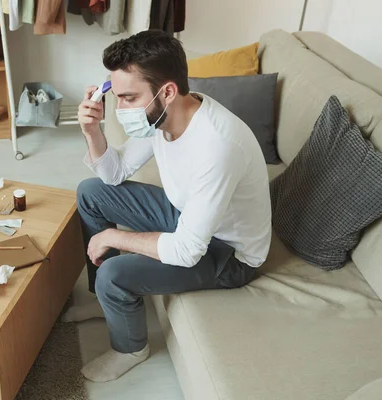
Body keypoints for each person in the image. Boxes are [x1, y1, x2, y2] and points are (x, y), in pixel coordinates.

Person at [64, 30, 272, 383]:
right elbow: (114, 175)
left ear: (168, 90)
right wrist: (92, 131)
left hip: (229, 253)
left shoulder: (217, 145)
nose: (121, 110)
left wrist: (116, 237)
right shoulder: (164, 115)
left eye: (129, 98)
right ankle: (104, 300)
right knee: (91, 191)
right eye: (116, 96)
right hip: (188, 215)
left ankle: (129, 348)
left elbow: (189, 250)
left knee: (115, 274)